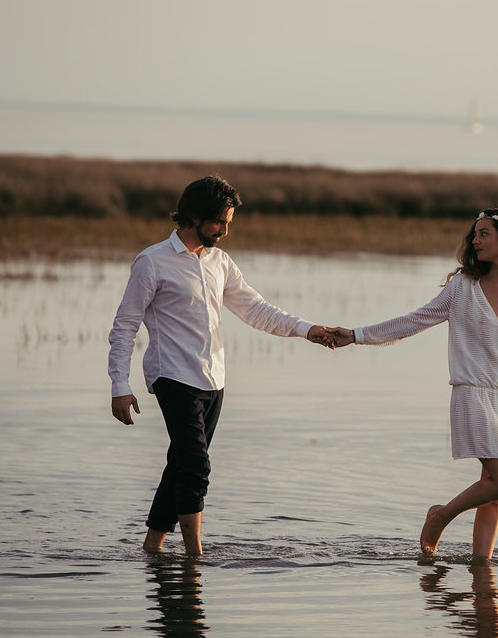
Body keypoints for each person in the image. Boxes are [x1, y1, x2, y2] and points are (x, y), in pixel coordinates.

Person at [329, 208, 498, 559]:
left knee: (494, 495)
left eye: (483, 234)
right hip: (473, 394)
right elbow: (413, 321)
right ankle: (441, 515)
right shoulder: (462, 287)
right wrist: (356, 335)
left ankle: (482, 566)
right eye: (474, 235)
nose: (474, 241)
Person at [108, 175, 336, 556]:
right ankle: (195, 556)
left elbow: (257, 310)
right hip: (172, 376)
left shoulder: (219, 262)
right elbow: (124, 326)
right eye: (219, 222)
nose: (225, 230)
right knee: (197, 467)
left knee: (180, 465)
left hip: (214, 379)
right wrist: (119, 384)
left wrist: (307, 329)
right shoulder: (152, 262)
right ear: (193, 215)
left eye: (229, 222)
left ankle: (152, 547)